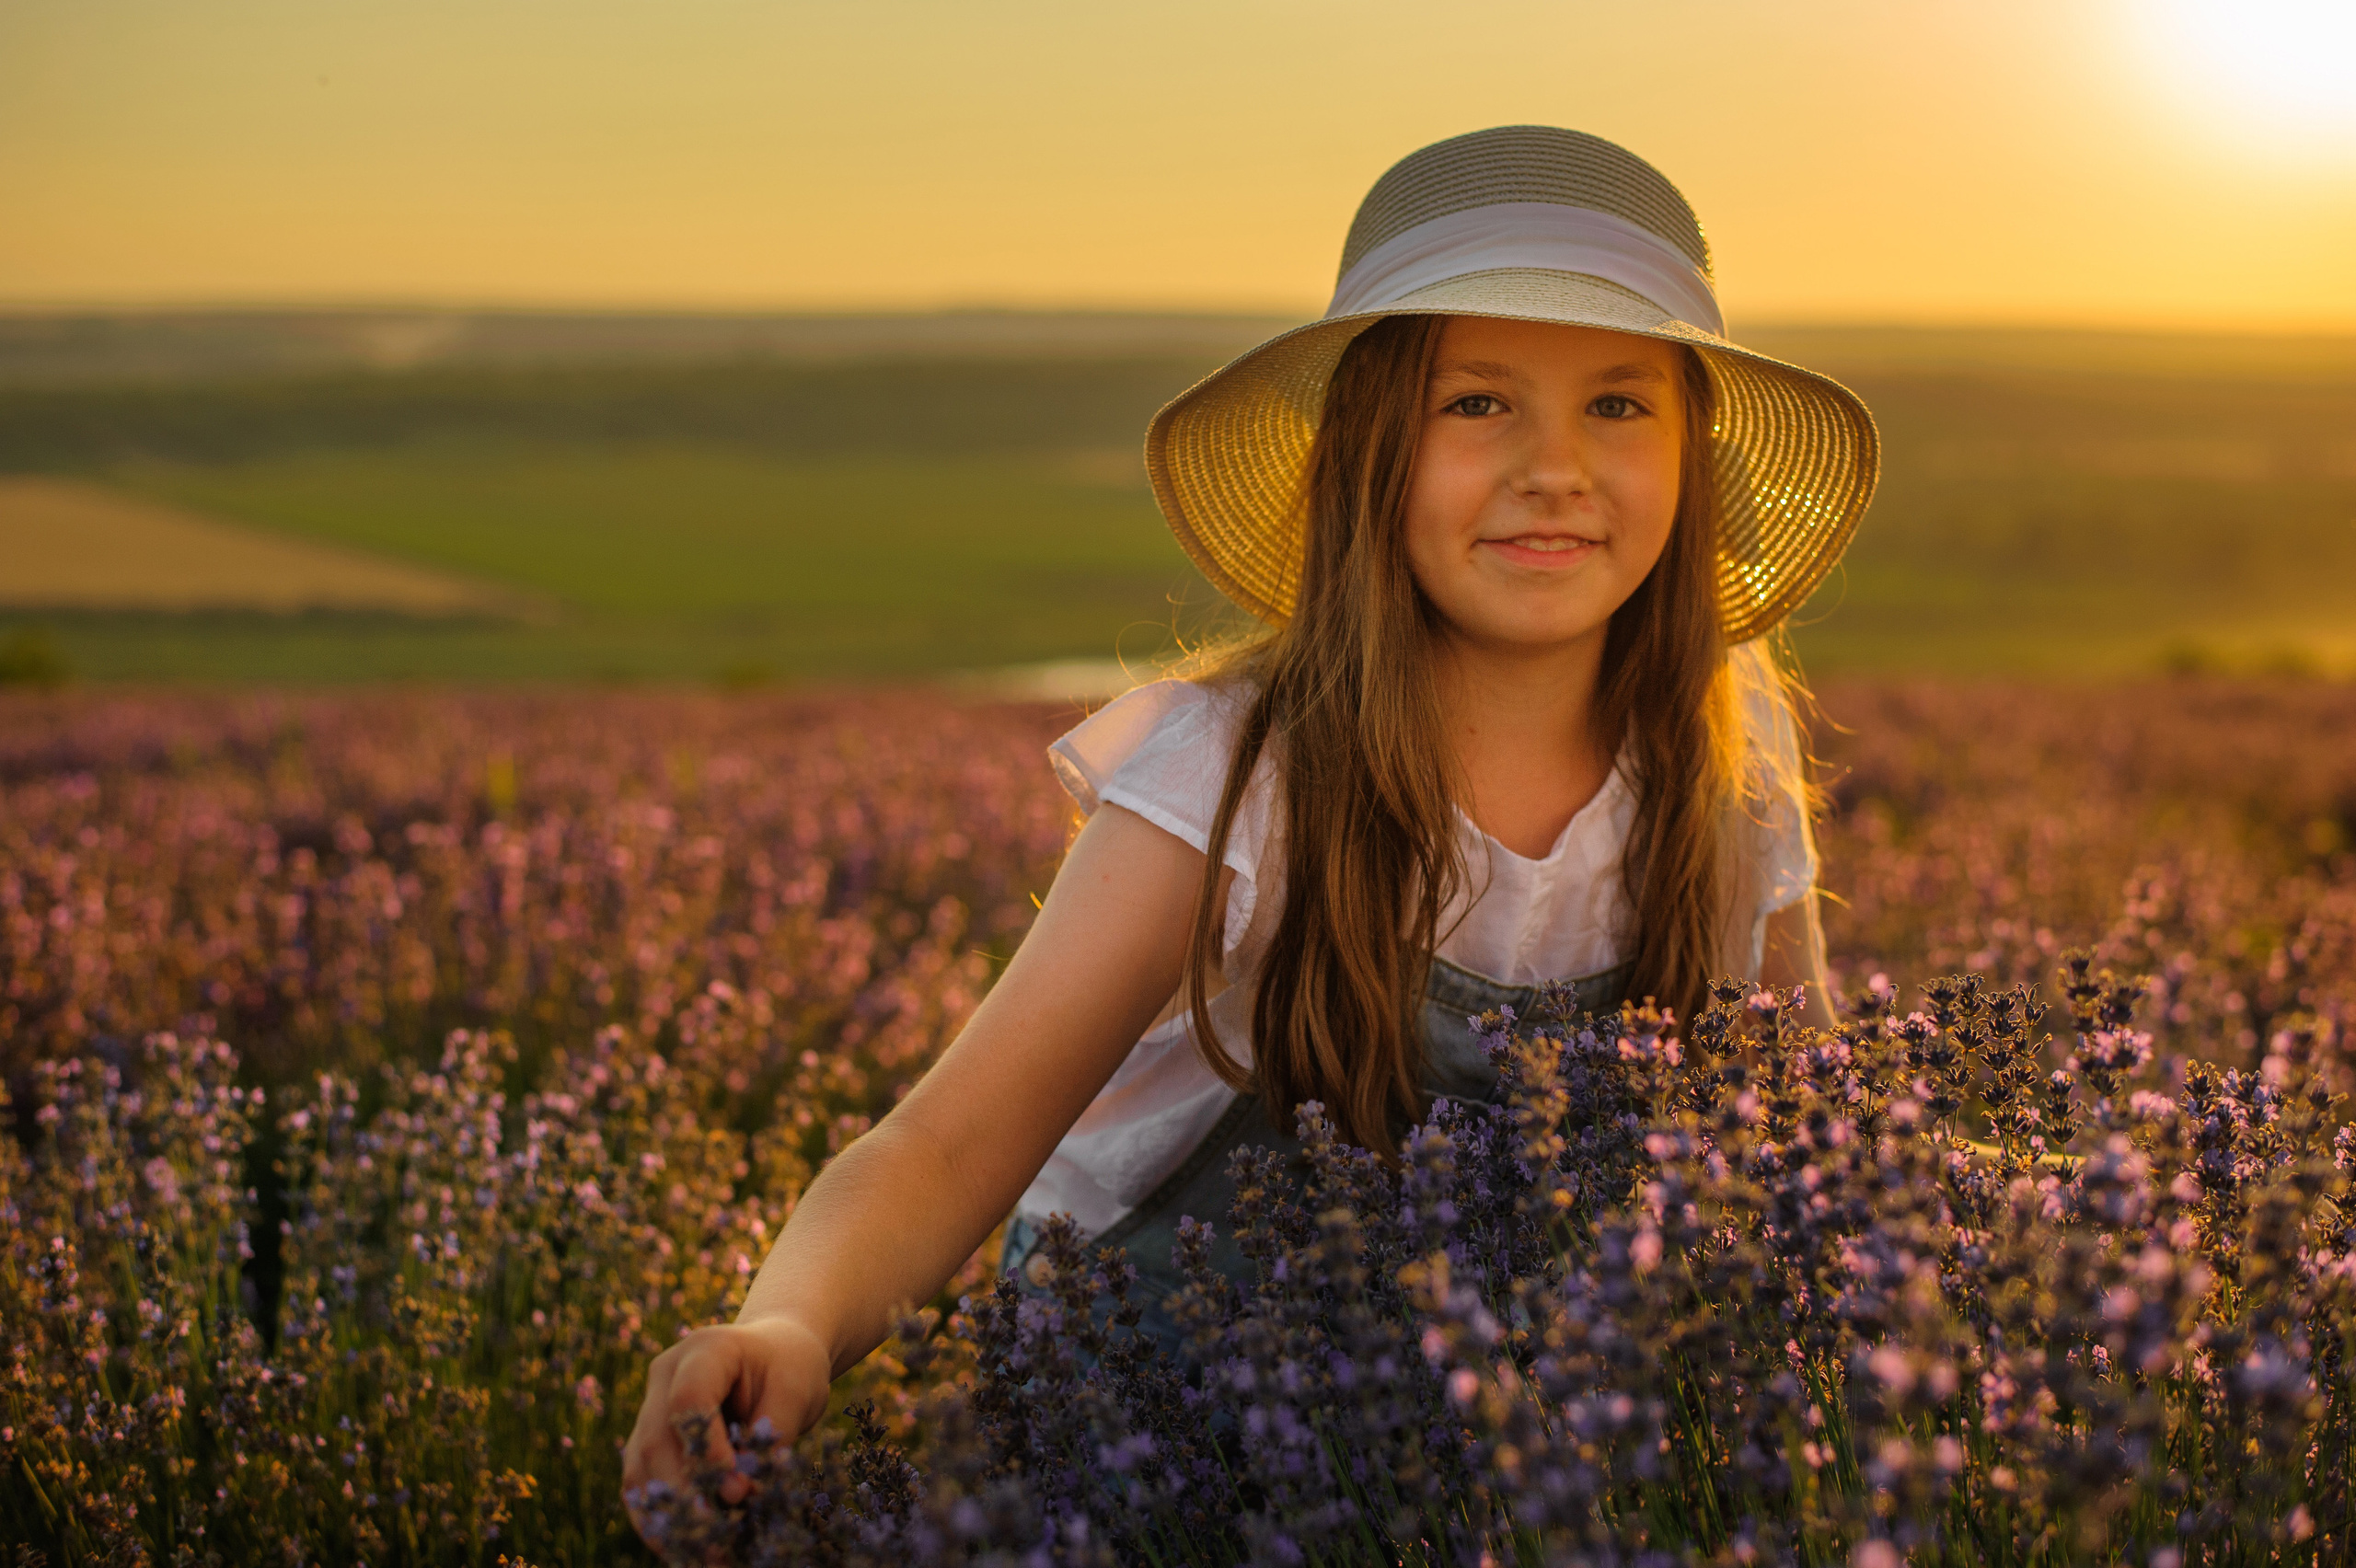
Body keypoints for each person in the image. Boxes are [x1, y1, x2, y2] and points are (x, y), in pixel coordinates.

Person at [622, 124, 1878, 1521]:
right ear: (1369, 452)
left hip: (1524, 1461)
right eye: (1478, 404)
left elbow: (1806, 1120)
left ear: (1695, 461)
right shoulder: (1237, 775)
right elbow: (948, 1146)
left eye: (1620, 405)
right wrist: (790, 1325)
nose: (1555, 469)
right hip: (1165, 1450)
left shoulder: (1719, 754)